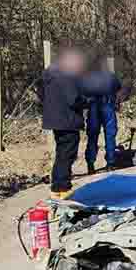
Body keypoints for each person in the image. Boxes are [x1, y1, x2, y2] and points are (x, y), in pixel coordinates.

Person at [40, 47, 88, 200]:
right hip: (68, 120)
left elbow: (41, 95)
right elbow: (73, 99)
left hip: (54, 119)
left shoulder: (49, 73)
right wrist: (87, 101)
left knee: (61, 153)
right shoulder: (67, 75)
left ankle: (57, 187)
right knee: (67, 155)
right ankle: (62, 187)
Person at [83, 61, 122, 174]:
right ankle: (110, 163)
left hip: (93, 108)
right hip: (108, 106)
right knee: (110, 135)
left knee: (92, 136)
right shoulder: (110, 76)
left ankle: (90, 164)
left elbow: (83, 93)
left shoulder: (87, 78)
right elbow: (118, 88)